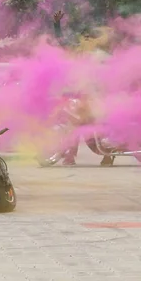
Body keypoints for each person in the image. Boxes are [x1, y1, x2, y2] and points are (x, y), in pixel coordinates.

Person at [51, 10, 114, 166]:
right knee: (73, 127)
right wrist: (56, 25)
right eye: (84, 37)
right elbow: (62, 42)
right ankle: (69, 157)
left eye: (88, 37)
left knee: (93, 135)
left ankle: (108, 154)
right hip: (79, 98)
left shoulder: (100, 56)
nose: (85, 40)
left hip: (94, 100)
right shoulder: (77, 53)